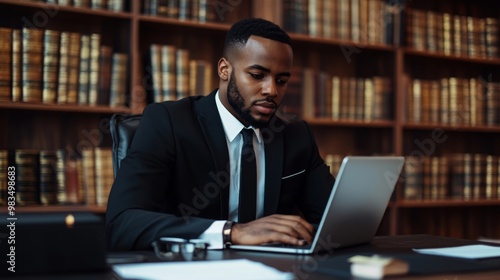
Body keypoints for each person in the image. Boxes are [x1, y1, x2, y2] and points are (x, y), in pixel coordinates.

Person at [106, 18, 335, 251]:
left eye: (282, 80)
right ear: (224, 70)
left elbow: (334, 223)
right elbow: (121, 224)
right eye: (257, 75)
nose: (272, 90)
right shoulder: (168, 122)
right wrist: (232, 232)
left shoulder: (297, 136)